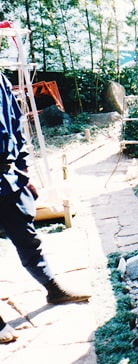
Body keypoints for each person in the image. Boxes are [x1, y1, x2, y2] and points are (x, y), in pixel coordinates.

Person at [0, 73, 90, 344]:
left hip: (9, 179)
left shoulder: (1, 80)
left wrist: (24, 170)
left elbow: (16, 126)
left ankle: (53, 289)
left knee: (28, 240)